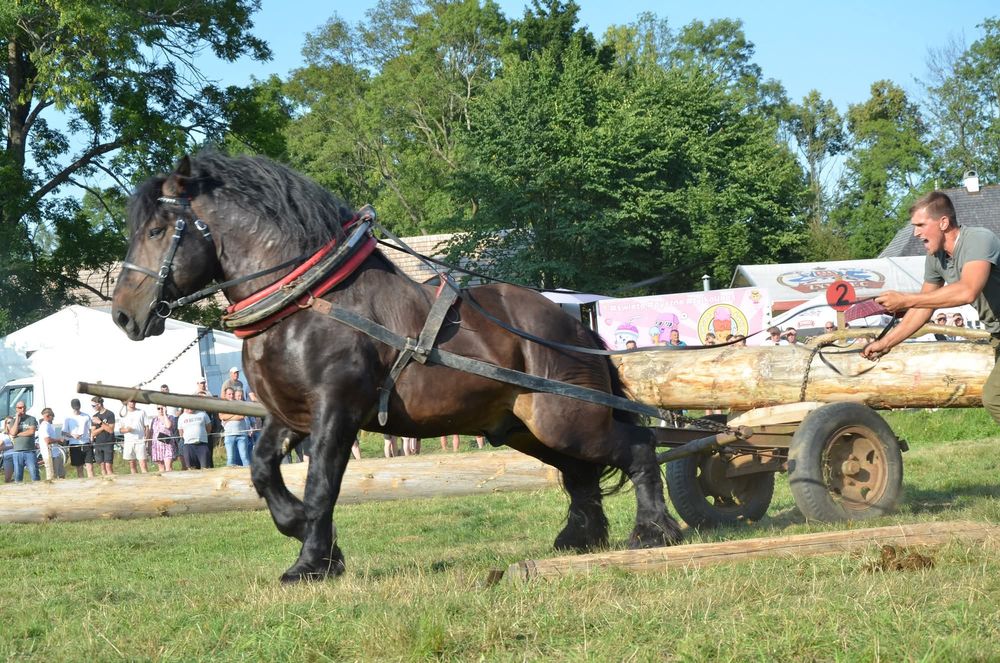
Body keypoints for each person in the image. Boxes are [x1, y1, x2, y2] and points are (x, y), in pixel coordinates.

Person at [862, 191, 1000, 425]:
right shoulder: (936, 258)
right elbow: (925, 307)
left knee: (995, 398)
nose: (916, 233)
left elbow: (967, 290)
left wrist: (906, 300)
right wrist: (885, 344)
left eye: (921, 225)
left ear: (943, 222)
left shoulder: (979, 239)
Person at [6, 401, 39, 482]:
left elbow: (31, 432)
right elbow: (13, 432)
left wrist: (18, 434)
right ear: (16, 409)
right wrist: (17, 419)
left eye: (24, 407)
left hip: (30, 451)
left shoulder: (31, 418)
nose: (22, 409)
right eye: (20, 408)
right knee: (18, 476)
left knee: (34, 474)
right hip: (17, 452)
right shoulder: (13, 421)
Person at [219, 387, 251, 466]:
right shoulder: (222, 406)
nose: (231, 396)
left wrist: (228, 418)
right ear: (225, 395)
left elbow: (241, 416)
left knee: (244, 457)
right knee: (231, 458)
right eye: (229, 394)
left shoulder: (240, 404)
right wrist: (235, 414)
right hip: (229, 435)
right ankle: (230, 477)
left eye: (232, 394)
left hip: (241, 435)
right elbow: (222, 417)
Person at [62, 398, 93, 478]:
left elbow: (90, 429)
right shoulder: (68, 418)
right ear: (72, 407)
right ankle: (82, 485)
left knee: (89, 466)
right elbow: (63, 432)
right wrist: (73, 435)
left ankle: (92, 483)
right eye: (75, 406)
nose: (77, 408)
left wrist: (91, 438)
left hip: (86, 443)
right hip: (74, 444)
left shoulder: (86, 416)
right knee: (79, 468)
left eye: (78, 406)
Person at [118, 399, 149, 474]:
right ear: (127, 402)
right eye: (131, 401)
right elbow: (120, 429)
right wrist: (127, 430)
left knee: (143, 463)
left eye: (134, 401)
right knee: (132, 464)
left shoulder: (141, 412)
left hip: (140, 441)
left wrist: (146, 438)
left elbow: (147, 426)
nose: (133, 403)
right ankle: (135, 481)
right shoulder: (123, 414)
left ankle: (147, 481)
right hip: (129, 442)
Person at [37, 407, 66, 479]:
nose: (53, 418)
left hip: (56, 454)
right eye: (52, 416)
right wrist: (59, 440)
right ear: (47, 416)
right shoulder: (44, 426)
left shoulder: (49, 425)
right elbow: (47, 440)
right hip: (49, 455)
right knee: (52, 476)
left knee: (62, 474)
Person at [90, 397, 116, 476]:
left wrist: (100, 422)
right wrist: (104, 427)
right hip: (98, 443)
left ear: (99, 404)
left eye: (93, 406)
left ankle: (112, 482)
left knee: (108, 466)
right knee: (102, 466)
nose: (92, 407)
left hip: (108, 443)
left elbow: (111, 430)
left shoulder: (110, 414)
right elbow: (93, 433)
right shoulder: (95, 416)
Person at [150, 405, 178, 472]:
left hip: (168, 444)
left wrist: (165, 414)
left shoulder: (170, 417)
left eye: (162, 408)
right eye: (158, 408)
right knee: (161, 469)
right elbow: (151, 433)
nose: (160, 410)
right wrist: (149, 445)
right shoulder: (154, 419)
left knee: (168, 468)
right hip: (157, 446)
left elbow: (168, 426)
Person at [1, 417, 13, 483]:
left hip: (19, 455)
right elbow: (0, 447)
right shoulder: (3, 435)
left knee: (19, 477)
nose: (10, 424)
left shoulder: (17, 433)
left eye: (12, 422)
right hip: (8, 456)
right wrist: (12, 446)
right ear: (6, 424)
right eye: (8, 423)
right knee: (8, 479)